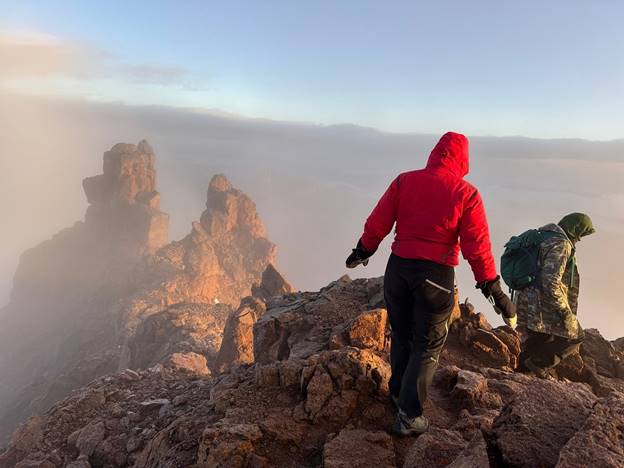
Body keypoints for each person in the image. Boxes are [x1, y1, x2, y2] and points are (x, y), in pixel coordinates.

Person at [346, 131, 515, 436]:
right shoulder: (467, 194)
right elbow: (477, 248)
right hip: (435, 278)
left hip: (397, 271)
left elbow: (378, 223)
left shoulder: (404, 181)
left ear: (435, 153)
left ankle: (398, 394)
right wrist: (494, 289)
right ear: (463, 161)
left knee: (402, 334)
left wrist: (362, 251)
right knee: (427, 346)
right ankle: (410, 415)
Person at [516, 213, 595, 379]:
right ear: (575, 229)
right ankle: (538, 364)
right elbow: (550, 281)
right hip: (542, 302)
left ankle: (522, 374)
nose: (580, 239)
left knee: (539, 337)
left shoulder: (543, 235)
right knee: (575, 335)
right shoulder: (561, 243)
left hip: (525, 297)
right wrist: (564, 310)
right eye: (581, 234)